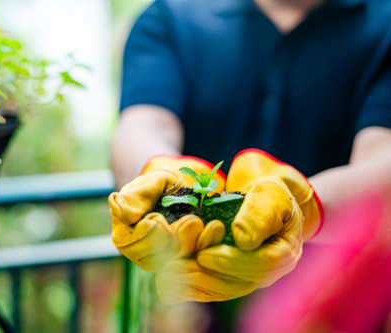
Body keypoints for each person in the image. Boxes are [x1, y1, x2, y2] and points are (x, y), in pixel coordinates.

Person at [109, 0, 391, 331]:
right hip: (196, 314)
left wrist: (302, 206)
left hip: (343, 315)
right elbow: (142, 126)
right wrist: (157, 172)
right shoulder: (170, 16)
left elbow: (382, 158)